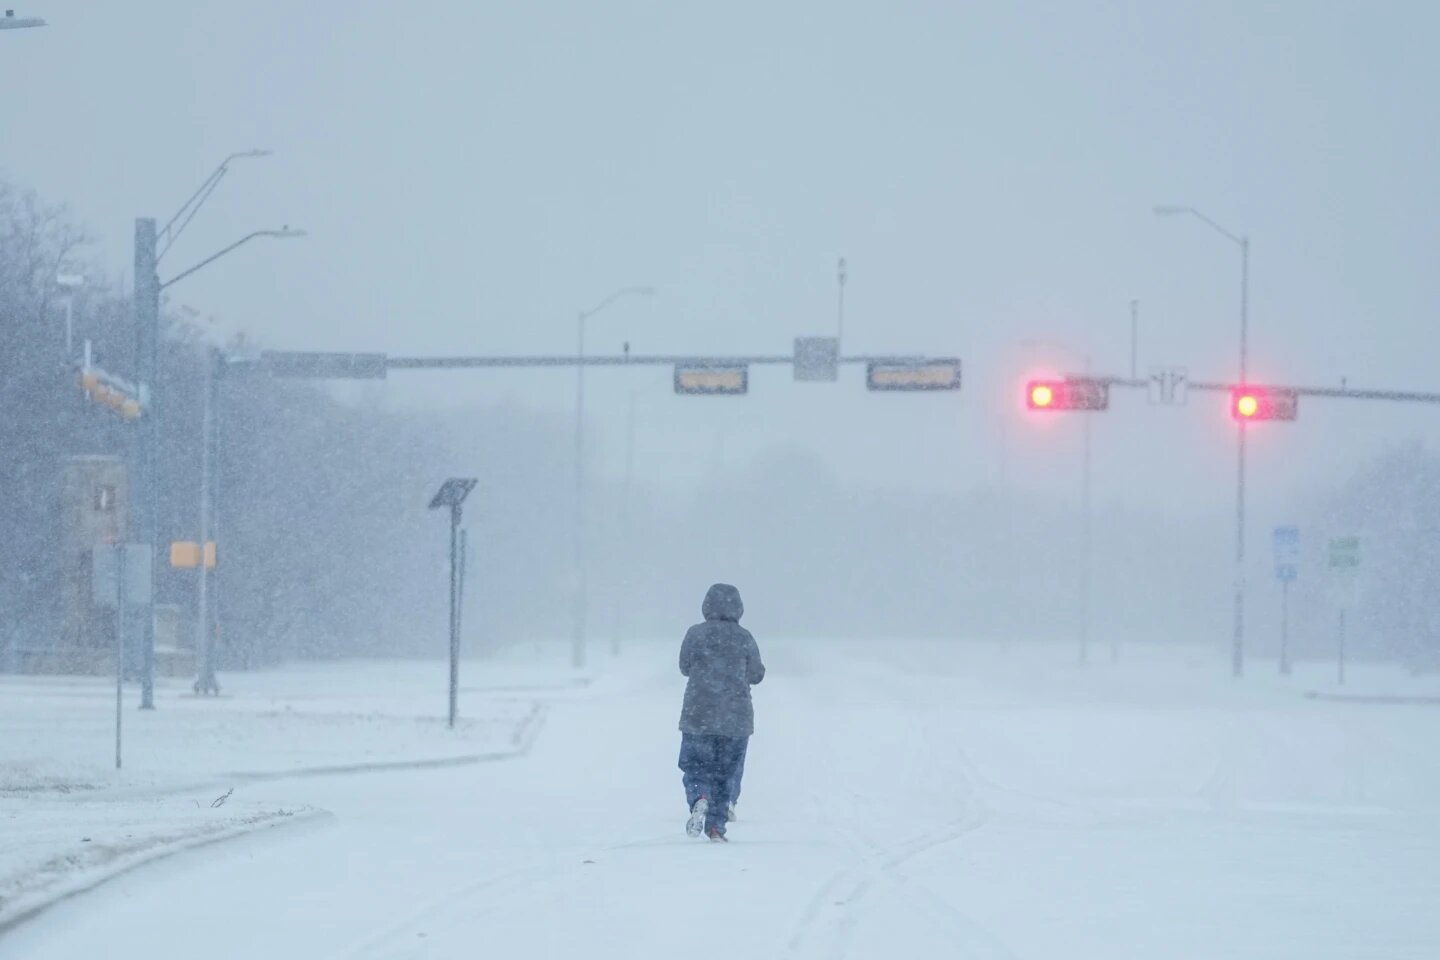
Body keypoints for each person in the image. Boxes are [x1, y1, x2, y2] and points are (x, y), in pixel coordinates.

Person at [678, 583, 765, 841]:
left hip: (697, 715)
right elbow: (756, 674)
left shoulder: (695, 634)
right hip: (735, 719)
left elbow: (684, 666)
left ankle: (699, 797)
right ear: (738, 608)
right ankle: (716, 828)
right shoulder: (745, 637)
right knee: (725, 773)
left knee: (695, 766)